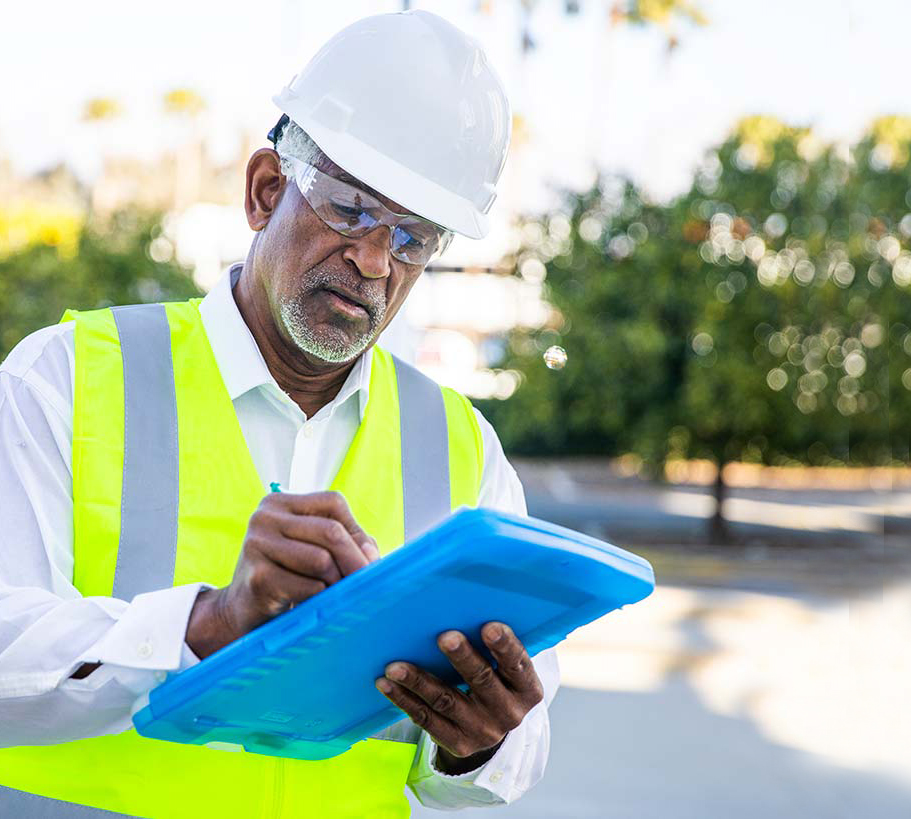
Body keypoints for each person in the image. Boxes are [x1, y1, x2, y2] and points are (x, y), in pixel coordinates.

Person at [0, 10, 559, 818]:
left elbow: (514, 750)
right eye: (351, 210)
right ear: (267, 190)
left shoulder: (463, 448)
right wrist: (205, 627)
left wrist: (480, 740)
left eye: (411, 238)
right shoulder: (67, 377)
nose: (373, 261)